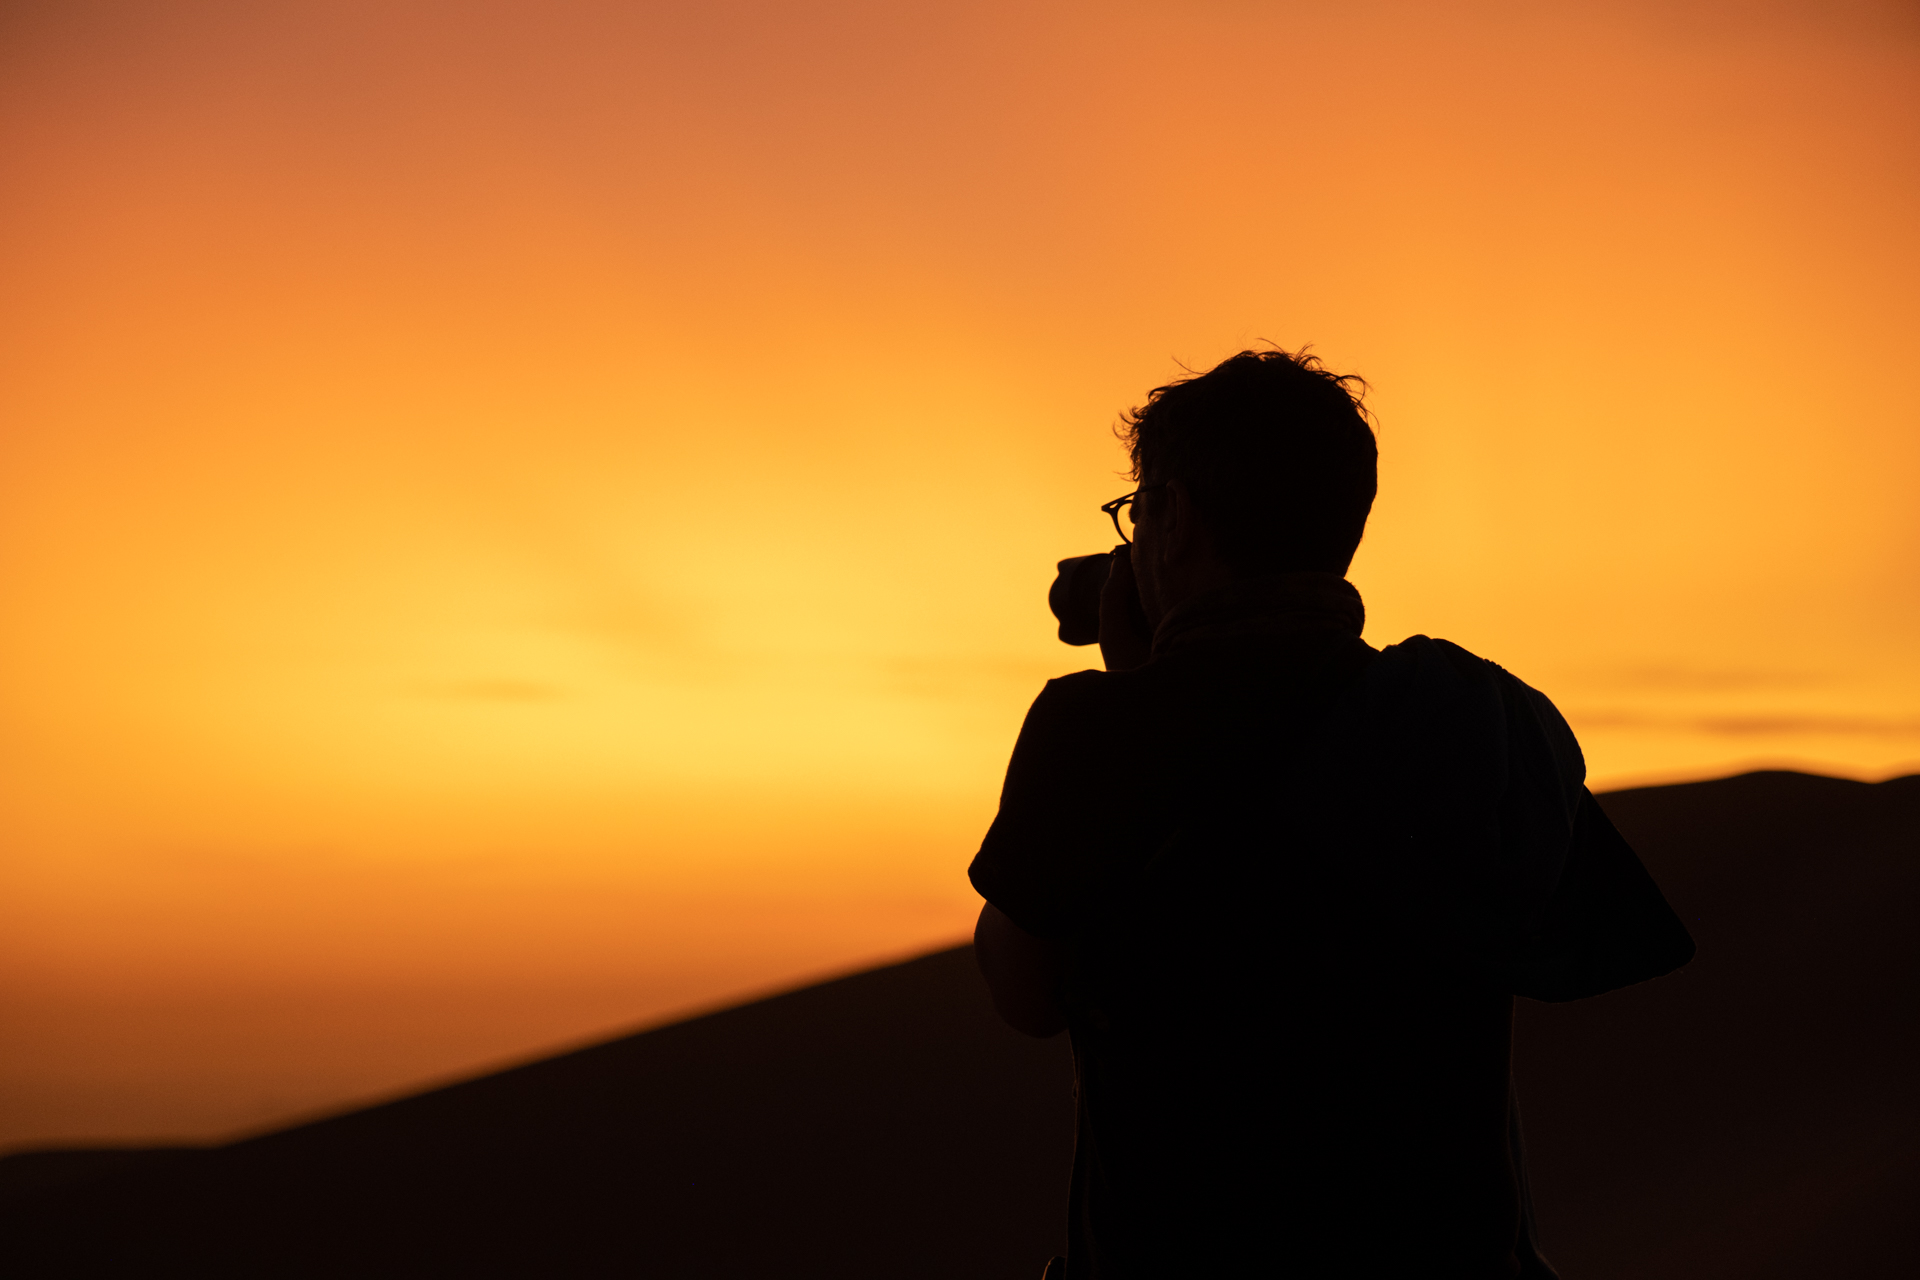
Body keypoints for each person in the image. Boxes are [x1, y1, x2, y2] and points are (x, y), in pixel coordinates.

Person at [969, 349, 1695, 1279]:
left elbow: (1024, 991)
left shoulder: (1096, 732)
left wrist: (1138, 702)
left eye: (1137, 509)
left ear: (1175, 517)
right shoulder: (1468, 716)